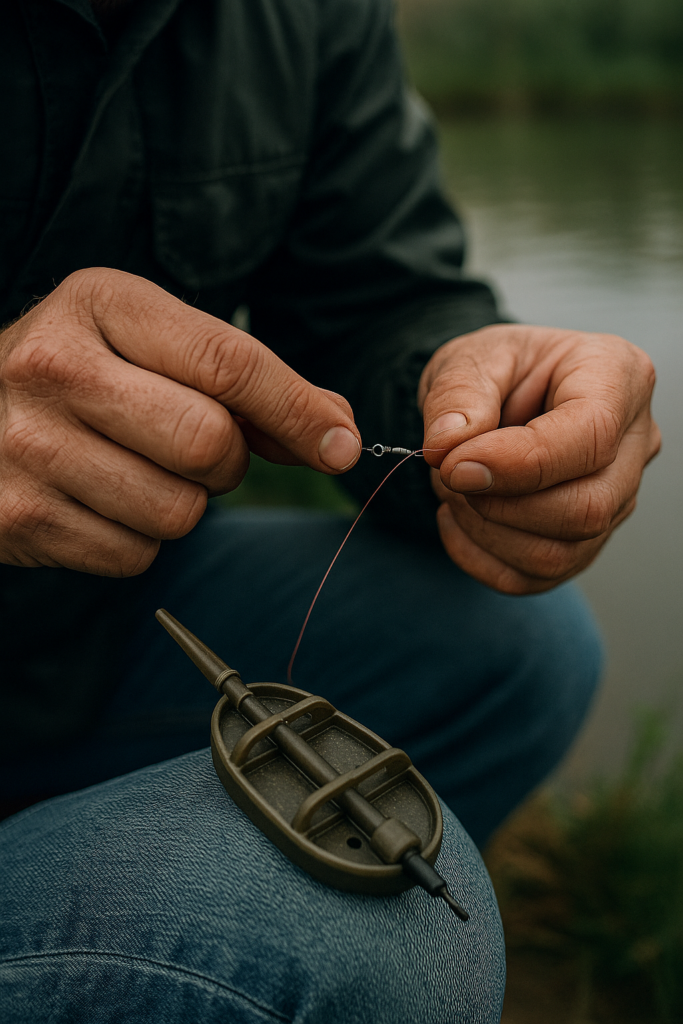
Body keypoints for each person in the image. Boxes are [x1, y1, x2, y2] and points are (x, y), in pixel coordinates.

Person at [0, 0, 659, 1021]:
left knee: (520, 645)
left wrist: (463, 389)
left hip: (72, 641)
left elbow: (374, 298)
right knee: (363, 938)